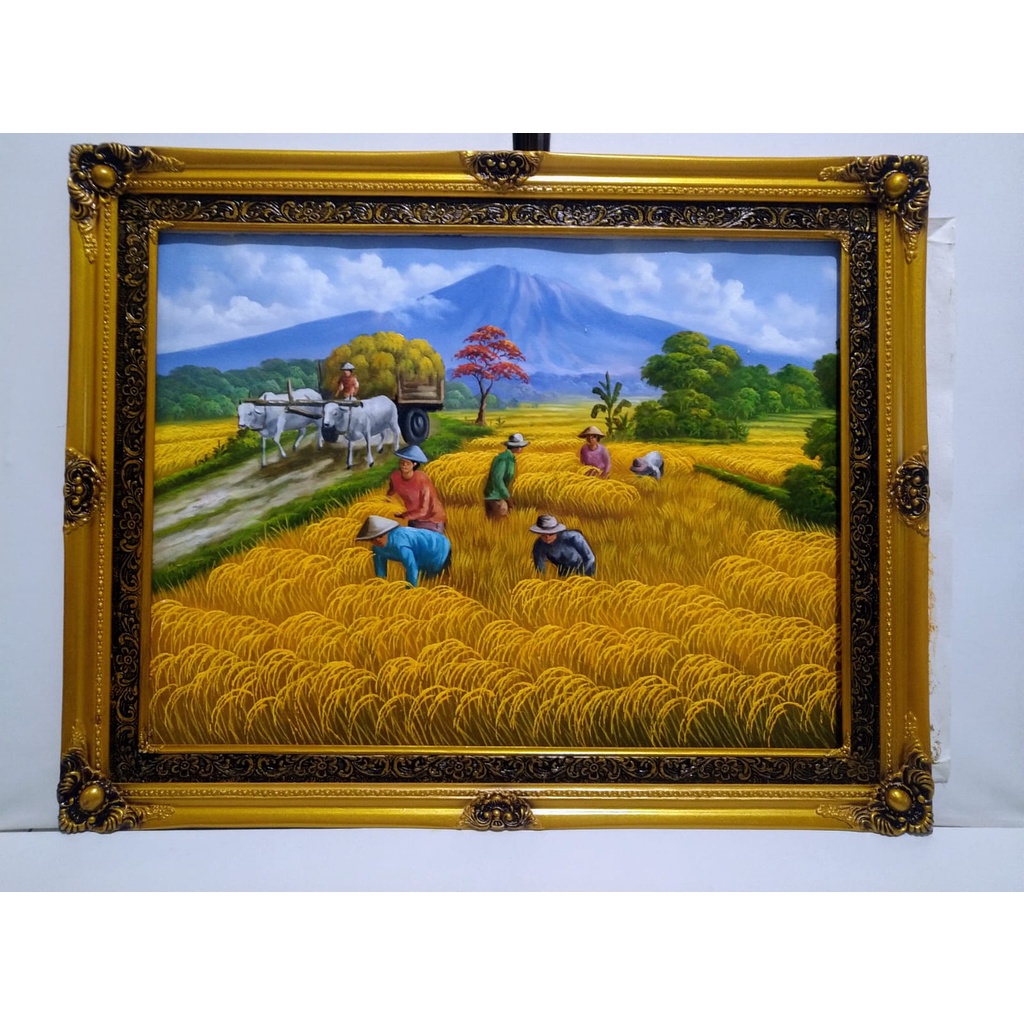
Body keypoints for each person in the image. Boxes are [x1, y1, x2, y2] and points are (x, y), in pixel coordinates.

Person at [355, 515, 451, 587]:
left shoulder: (400, 545)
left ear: (387, 532)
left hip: (438, 547)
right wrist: (381, 588)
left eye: (380, 536)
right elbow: (380, 573)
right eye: (372, 539)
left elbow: (411, 566)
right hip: (421, 553)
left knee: (436, 580)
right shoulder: (377, 549)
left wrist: (409, 591)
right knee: (424, 579)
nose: (377, 541)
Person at [387, 445, 447, 533]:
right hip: (413, 519)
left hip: (432, 521)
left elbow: (424, 510)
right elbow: (390, 495)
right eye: (402, 461)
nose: (404, 465)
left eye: (408, 463)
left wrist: (403, 515)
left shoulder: (422, 479)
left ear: (414, 464)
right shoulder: (395, 477)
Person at [529, 514, 596, 577]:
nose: (547, 537)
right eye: (543, 534)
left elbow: (590, 557)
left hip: (586, 568)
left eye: (551, 533)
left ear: (556, 531)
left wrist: (581, 575)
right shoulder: (539, 546)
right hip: (564, 573)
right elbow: (540, 569)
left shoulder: (574, 537)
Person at [484, 433, 528, 519]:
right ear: (517, 447)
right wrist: (507, 497)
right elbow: (497, 479)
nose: (522, 448)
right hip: (496, 498)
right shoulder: (503, 459)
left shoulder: (510, 458)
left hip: (498, 497)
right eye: (521, 446)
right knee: (499, 523)